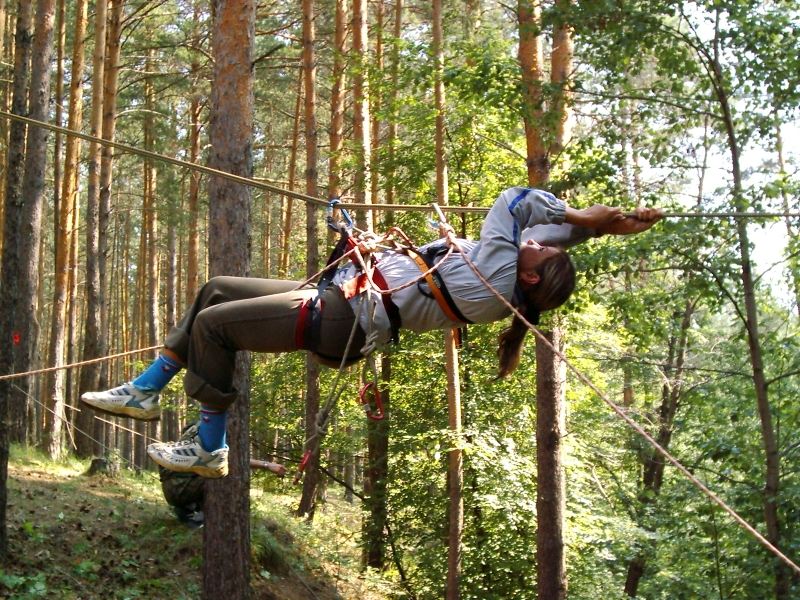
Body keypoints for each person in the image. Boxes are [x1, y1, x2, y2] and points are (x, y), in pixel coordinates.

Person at [81, 187, 662, 478]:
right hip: (343, 298)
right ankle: (146, 389)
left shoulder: (501, 271)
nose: (538, 241)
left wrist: (583, 218)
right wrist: (608, 225)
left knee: (215, 327)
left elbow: (516, 203)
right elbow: (550, 235)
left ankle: (209, 447)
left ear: (529, 273)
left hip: (344, 317)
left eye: (542, 249)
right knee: (217, 291)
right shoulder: (514, 274)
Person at [160, 422, 286, 527]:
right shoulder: (204, 438)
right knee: (222, 473)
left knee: (209, 471)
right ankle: (205, 515)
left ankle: (188, 508)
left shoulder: (185, 443)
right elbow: (232, 461)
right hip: (181, 489)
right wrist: (266, 465)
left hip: (173, 490)